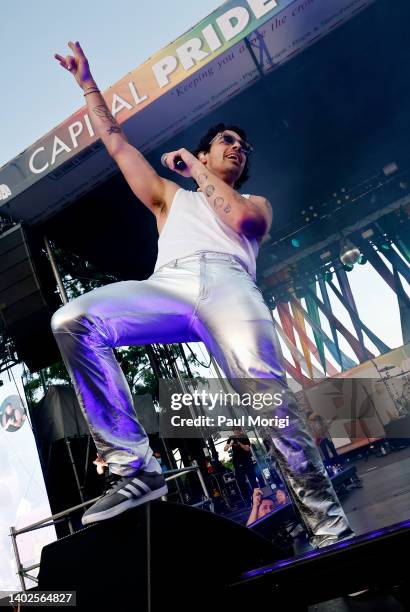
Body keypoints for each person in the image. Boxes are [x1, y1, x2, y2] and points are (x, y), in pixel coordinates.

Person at [50, 41, 354, 548]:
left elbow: (239, 220)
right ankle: (136, 470)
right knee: (71, 321)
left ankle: (331, 532)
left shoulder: (254, 200)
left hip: (231, 285)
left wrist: (198, 167)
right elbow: (117, 143)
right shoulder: (170, 198)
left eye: (242, 148)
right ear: (209, 148)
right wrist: (87, 84)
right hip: (168, 284)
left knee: (270, 402)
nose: (237, 148)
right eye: (227, 141)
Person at [224, 428, 258, 504]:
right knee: (241, 482)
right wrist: (230, 444)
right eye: (235, 430)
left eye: (237, 430)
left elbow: (247, 449)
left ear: (240, 431)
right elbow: (225, 449)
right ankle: (247, 500)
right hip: (237, 462)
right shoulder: (231, 438)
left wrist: (240, 444)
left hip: (247, 461)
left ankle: (257, 496)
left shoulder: (244, 437)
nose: (236, 432)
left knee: (252, 479)